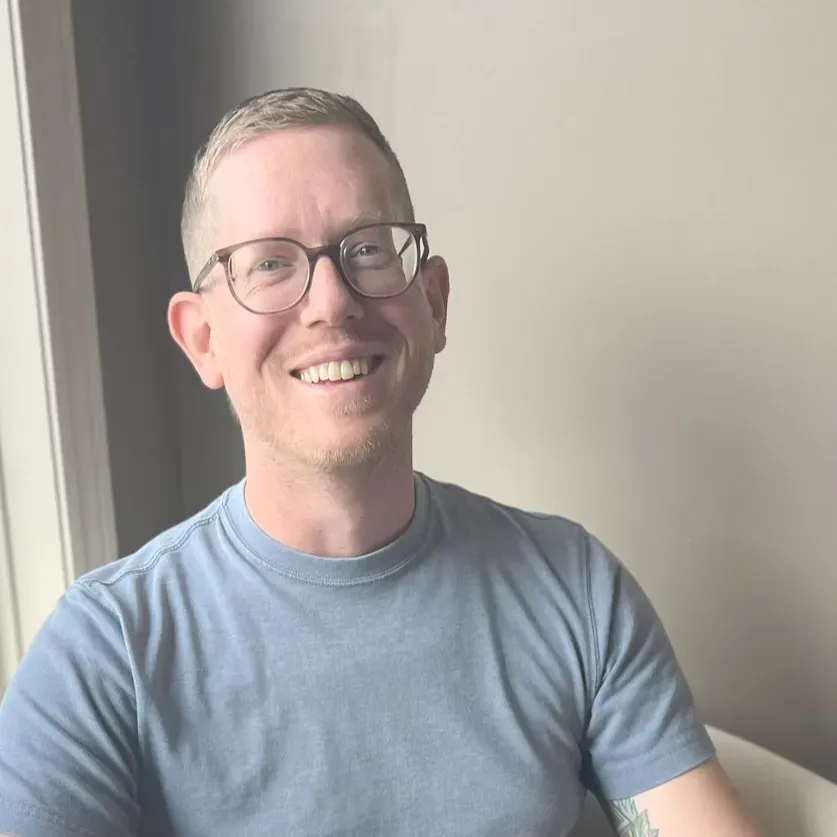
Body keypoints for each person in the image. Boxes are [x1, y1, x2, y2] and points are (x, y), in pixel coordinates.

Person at [0, 87, 763, 837]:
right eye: (268, 265)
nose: (330, 300)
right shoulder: (106, 652)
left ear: (432, 302)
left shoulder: (576, 590)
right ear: (202, 338)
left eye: (366, 249)